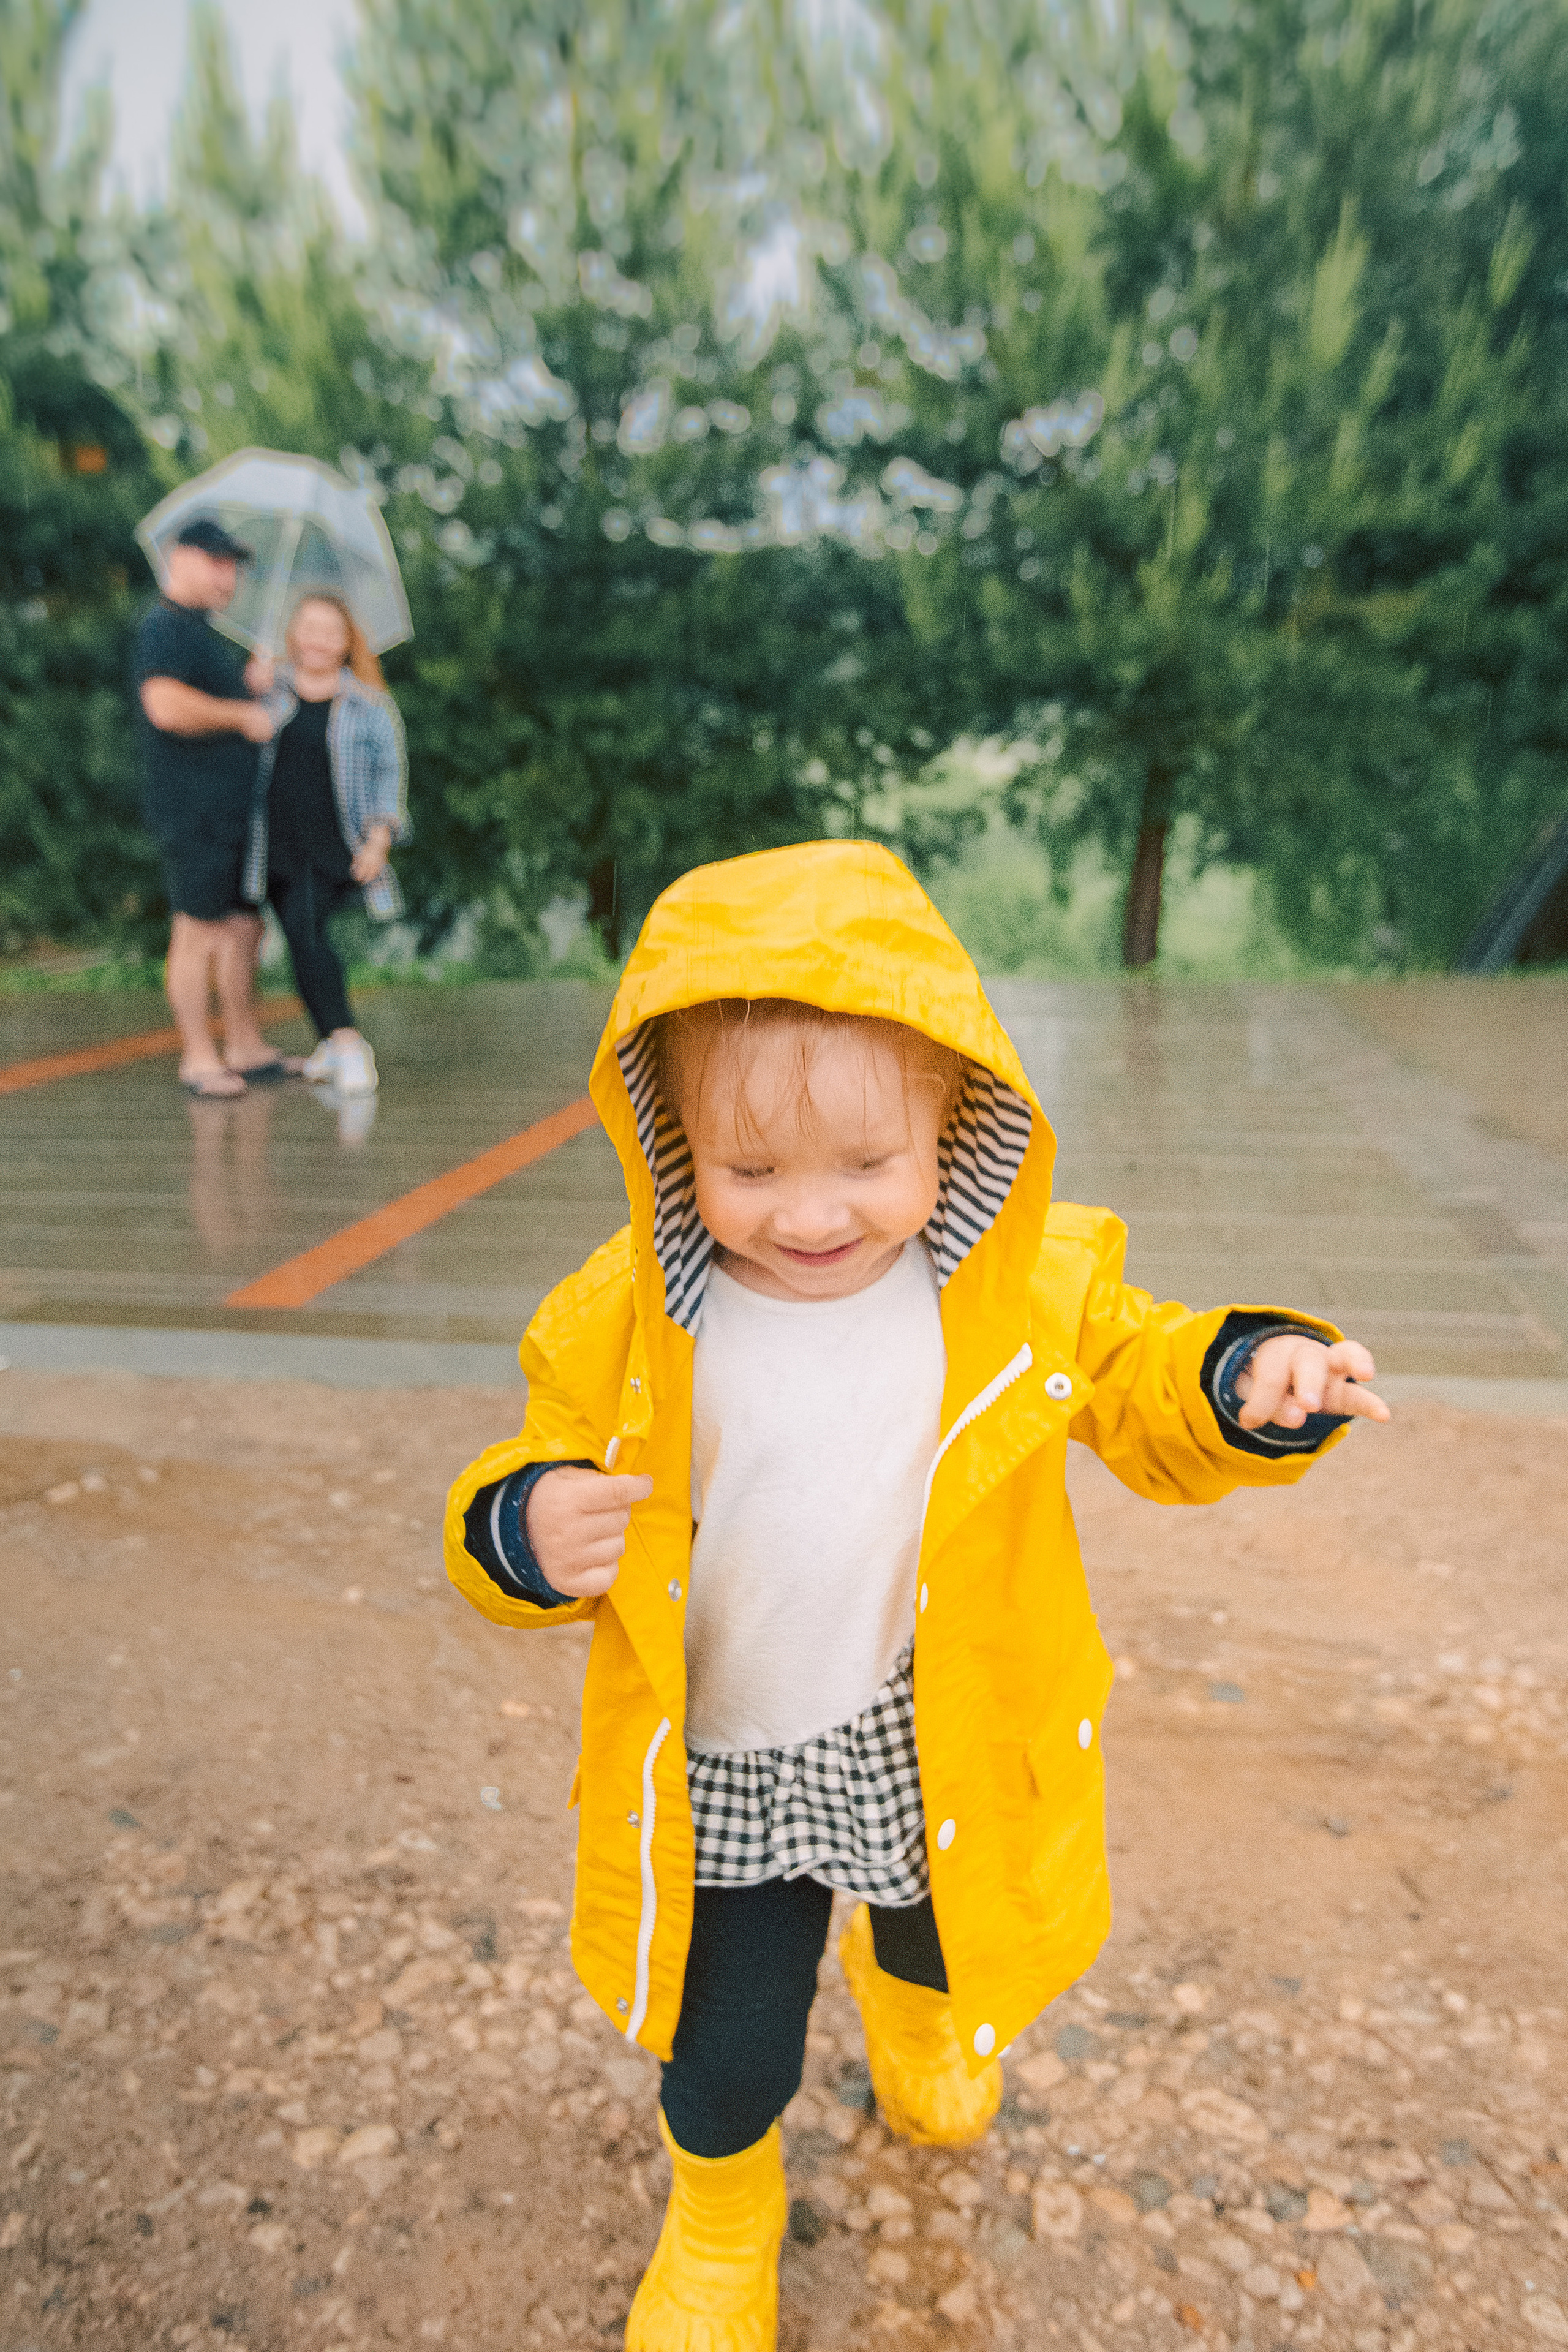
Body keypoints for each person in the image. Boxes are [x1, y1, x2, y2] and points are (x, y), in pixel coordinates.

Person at [442, 842, 1391, 2352]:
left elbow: (1147, 1378)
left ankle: (914, 2020)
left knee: (934, 1929)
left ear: (954, 1120)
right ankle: (719, 2218)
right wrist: (515, 1527)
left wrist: (1243, 1375)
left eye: (863, 1165)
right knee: (726, 2035)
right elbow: (525, 1470)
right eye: (750, 1170)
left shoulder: (1012, 1289)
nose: (809, 1214)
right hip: (726, 1755)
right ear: (670, 1140)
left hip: (926, 1724)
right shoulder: (624, 1320)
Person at [135, 516, 283, 1098]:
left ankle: (244, 1046)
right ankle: (198, 1058)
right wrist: (242, 715)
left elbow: (213, 701)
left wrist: (250, 687)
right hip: (192, 810)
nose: (230, 576)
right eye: (217, 562)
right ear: (180, 558)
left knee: (244, 928)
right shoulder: (164, 626)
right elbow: (165, 706)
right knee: (198, 931)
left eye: (235, 566)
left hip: (232, 811)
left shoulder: (205, 634)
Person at [241, 592, 409, 1098]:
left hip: (331, 844)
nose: (317, 639)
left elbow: (389, 776)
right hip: (271, 845)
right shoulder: (268, 692)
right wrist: (247, 688)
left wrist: (379, 840)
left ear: (346, 643)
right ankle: (329, 1043)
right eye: (308, 628)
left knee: (309, 934)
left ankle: (349, 1041)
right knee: (299, 942)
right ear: (292, 634)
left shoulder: (370, 705)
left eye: (330, 631)